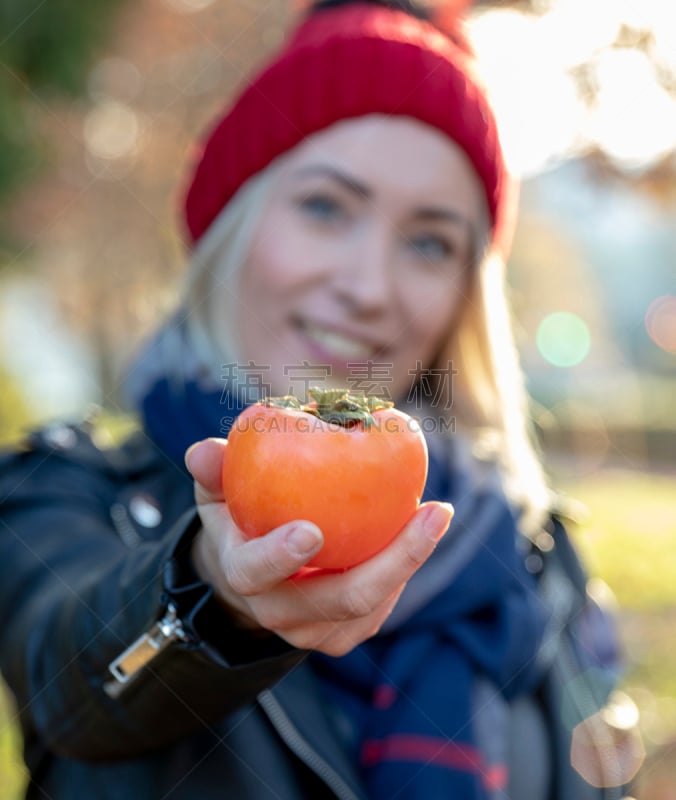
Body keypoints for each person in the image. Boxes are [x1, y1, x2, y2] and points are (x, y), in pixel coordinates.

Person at [0, 1, 633, 798]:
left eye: (430, 242)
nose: (368, 287)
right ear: (236, 228)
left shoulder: (536, 555)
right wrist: (211, 597)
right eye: (326, 207)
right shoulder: (68, 495)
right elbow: (76, 686)